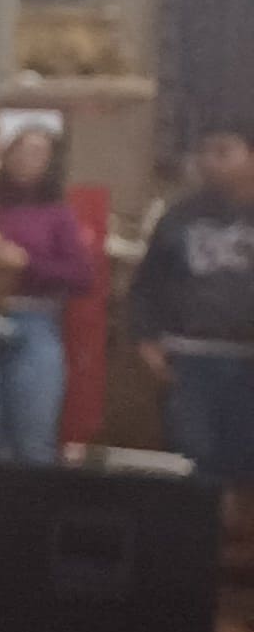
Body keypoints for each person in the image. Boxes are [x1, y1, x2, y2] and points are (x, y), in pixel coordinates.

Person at [0, 114, 94, 518]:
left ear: (50, 162)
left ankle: (32, 529)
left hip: (34, 324)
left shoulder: (56, 214)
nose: (29, 159)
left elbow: (81, 276)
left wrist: (27, 263)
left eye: (39, 152)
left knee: (33, 438)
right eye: (22, 149)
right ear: (6, 152)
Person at [130, 123, 254, 538]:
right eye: (204, 152)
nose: (209, 162)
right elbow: (146, 285)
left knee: (244, 457)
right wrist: (146, 340)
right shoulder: (179, 216)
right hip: (189, 356)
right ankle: (195, 550)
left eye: (223, 151)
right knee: (192, 455)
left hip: (248, 359)